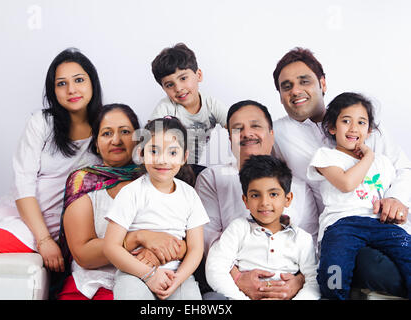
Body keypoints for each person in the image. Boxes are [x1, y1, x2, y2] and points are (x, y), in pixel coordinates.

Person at [0, 48, 103, 300]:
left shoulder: (106, 131)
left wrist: (47, 240)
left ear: (92, 82)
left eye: (79, 80)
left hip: (42, 226)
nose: (72, 89)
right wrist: (43, 239)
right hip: (15, 212)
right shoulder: (41, 123)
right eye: (62, 83)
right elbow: (23, 183)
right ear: (53, 90)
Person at [272, 47, 411, 297]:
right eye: (286, 86)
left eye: (304, 81)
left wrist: (397, 198)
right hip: (339, 229)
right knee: (367, 268)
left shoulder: (360, 120)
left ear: (322, 83)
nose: (295, 90)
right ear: (280, 96)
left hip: (381, 219)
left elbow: (403, 168)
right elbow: (264, 180)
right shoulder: (277, 134)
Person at [56, 104, 187, 300]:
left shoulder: (160, 177)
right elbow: (83, 254)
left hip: (150, 281)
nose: (116, 140)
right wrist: (138, 238)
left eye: (125, 132)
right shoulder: (84, 181)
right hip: (92, 284)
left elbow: (182, 241)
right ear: (96, 143)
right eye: (107, 133)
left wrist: (156, 255)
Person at [196, 100, 318, 300]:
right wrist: (237, 278)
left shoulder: (299, 187)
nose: (246, 133)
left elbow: (312, 246)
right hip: (230, 285)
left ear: (271, 135)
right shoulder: (213, 178)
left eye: (255, 126)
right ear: (229, 139)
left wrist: (297, 284)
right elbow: (207, 239)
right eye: (237, 129)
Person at [306, 92, 411, 299]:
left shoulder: (383, 162)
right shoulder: (326, 156)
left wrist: (397, 208)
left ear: (369, 130)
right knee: (334, 269)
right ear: (332, 127)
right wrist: (368, 156)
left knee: (407, 252)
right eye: (346, 121)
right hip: (342, 225)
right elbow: (346, 183)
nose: (354, 128)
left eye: (361, 122)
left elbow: (394, 193)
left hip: (380, 223)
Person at [103, 116, 209, 300]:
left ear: (184, 157)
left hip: (176, 275)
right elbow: (111, 246)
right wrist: (149, 275)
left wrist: (178, 279)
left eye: (172, 153)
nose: (162, 160)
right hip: (135, 274)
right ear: (141, 154)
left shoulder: (189, 195)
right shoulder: (131, 192)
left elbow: (196, 249)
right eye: (154, 151)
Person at [206, 155, 320, 300]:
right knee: (212, 299)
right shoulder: (239, 229)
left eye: (273, 194)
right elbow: (215, 268)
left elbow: (314, 279)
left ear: (288, 199)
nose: (264, 202)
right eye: (255, 195)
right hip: (240, 297)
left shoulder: (301, 238)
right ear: (245, 201)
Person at [150, 43, 228, 177]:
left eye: (183, 78)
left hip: (192, 165)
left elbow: (236, 125)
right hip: (169, 163)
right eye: (170, 85)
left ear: (199, 75)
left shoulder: (212, 105)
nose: (178, 88)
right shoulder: (165, 108)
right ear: (164, 89)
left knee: (209, 175)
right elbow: (151, 141)